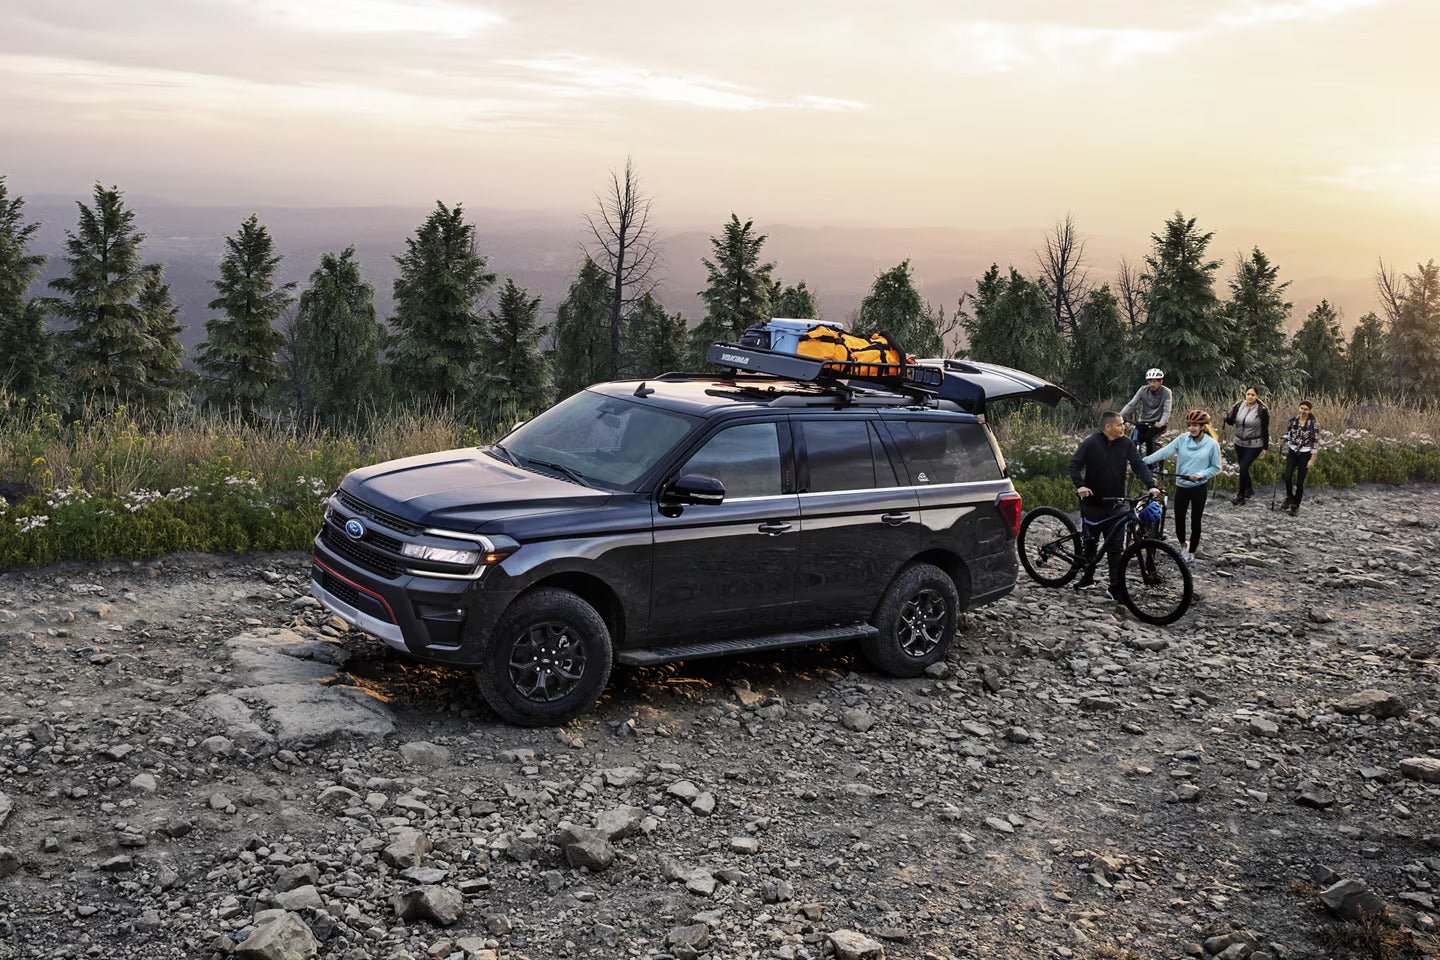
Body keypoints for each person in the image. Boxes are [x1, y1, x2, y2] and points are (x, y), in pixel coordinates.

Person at [1068, 411, 1161, 597]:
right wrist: (1081, 485)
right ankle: (1087, 578)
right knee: (1090, 544)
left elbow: (1138, 465)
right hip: (1092, 503)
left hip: (1116, 504)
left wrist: (1151, 485)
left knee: (1115, 548)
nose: (1123, 428)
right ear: (1108, 427)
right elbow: (1074, 465)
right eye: (1119, 425)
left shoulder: (1126, 443)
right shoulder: (1091, 442)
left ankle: (1115, 587)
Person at [1142, 410, 1222, 564]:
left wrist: (1201, 474)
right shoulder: (1182, 440)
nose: (1192, 428)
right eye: (1190, 425)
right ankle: (1182, 545)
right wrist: (1143, 461)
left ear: (1203, 427)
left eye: (1195, 425)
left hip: (1199, 487)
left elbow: (1216, 468)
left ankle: (1192, 551)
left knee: (1195, 520)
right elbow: (1164, 452)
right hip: (1182, 486)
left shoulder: (1212, 444)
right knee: (1179, 518)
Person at [1223, 386, 1270, 504]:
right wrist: (1226, 418)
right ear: (1245, 394)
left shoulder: (1262, 410)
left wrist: (1265, 447)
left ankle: (1241, 495)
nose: (1250, 396)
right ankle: (1249, 489)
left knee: (1243, 467)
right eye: (1248, 394)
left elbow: (1265, 429)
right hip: (1239, 442)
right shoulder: (1239, 406)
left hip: (1255, 444)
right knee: (1243, 467)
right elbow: (1232, 422)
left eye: (1252, 395)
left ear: (1257, 396)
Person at [1119, 368, 1173, 455]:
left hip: (1157, 423)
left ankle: (1151, 465)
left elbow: (1167, 410)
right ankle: (1136, 462)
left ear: (1161, 381)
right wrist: (1119, 416)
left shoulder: (1166, 392)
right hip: (1143, 422)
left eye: (1155, 381)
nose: (1152, 384)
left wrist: (1162, 422)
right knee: (1133, 440)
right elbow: (1131, 405)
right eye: (1150, 381)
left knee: (1149, 438)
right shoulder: (1143, 390)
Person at [1280, 399, 1319, 515]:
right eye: (1301, 408)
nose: (1303, 411)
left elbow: (1315, 443)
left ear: (1310, 411)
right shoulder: (1293, 421)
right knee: (1287, 477)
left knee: (1300, 482)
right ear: (1299, 408)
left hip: (1305, 453)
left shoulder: (1313, 424)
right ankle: (1289, 497)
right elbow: (1289, 434)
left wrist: (1312, 459)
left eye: (1306, 409)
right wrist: (1284, 439)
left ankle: (1295, 505)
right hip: (1292, 451)